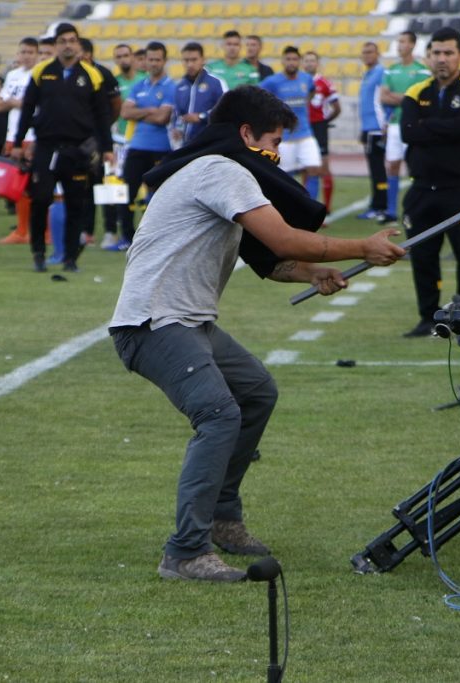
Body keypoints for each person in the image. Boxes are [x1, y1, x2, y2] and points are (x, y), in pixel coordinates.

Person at [108, 85, 404, 582]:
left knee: (255, 392)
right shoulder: (222, 170)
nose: (279, 152)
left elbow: (272, 260)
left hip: (189, 322)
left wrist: (312, 272)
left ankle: (223, 519)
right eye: (272, 139)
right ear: (245, 134)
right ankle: (184, 551)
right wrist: (361, 247)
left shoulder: (219, 173)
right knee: (219, 414)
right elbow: (285, 238)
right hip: (154, 323)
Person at [399, 27, 460, 338]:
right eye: (436, 52)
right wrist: (445, 127)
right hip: (422, 189)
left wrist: (428, 126)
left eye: (448, 53)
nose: (442, 59)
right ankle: (428, 318)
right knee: (423, 257)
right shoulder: (415, 92)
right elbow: (408, 132)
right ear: (428, 56)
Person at [12, 22, 114, 272]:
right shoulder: (42, 72)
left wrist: (107, 148)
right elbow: (27, 108)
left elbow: (102, 115)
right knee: (41, 199)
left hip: (77, 149)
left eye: (72, 40)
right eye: (63, 41)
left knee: (75, 203)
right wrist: (17, 142)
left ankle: (70, 258)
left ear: (78, 44)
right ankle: (38, 252)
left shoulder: (92, 75)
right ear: (56, 45)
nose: (68, 45)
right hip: (46, 147)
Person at [117, 41, 176, 250]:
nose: (153, 63)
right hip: (137, 146)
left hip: (161, 148)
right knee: (126, 192)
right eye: (150, 59)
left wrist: (141, 112)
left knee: (159, 196)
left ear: (164, 61)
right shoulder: (139, 85)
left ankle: (158, 237)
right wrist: (151, 110)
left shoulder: (172, 86)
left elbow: (162, 118)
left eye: (157, 59)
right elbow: (125, 112)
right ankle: (126, 236)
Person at [379, 31, 431, 224]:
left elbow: (418, 99)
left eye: (402, 42)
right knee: (392, 166)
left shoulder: (422, 71)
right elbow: (383, 97)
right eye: (398, 41)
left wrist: (399, 97)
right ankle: (391, 210)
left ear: (412, 45)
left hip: (412, 125)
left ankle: (414, 206)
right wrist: (406, 98)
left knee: (414, 166)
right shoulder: (390, 70)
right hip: (394, 124)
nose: (399, 45)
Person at [260, 46, 322, 200]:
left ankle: (311, 209)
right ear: (282, 61)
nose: (291, 62)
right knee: (285, 177)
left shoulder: (306, 79)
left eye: (294, 59)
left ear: (299, 61)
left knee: (314, 169)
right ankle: (290, 212)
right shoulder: (272, 82)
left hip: (306, 135)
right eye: (288, 59)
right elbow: (258, 98)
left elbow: (312, 91)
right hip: (284, 138)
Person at [77, 37, 122, 246]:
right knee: (85, 186)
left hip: (102, 139)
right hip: (80, 140)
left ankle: (111, 230)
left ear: (88, 54)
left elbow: (115, 105)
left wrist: (103, 129)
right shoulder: (72, 75)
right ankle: (86, 231)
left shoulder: (103, 74)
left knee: (107, 185)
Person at [0, 37, 41, 245]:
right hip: (12, 135)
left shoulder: (40, 74)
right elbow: (0, 104)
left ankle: (41, 230)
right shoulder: (13, 75)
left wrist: (14, 103)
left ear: (37, 54)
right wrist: (17, 103)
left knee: (38, 186)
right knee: (18, 187)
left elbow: (36, 104)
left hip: (32, 135)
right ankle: (22, 230)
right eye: (23, 52)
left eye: (31, 52)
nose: (26, 56)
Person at [101, 43, 145, 250]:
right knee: (112, 188)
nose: (123, 59)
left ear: (133, 58)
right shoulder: (113, 83)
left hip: (139, 142)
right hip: (117, 142)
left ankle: (143, 233)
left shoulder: (143, 81)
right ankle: (111, 232)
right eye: (118, 56)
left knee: (140, 189)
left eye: (126, 55)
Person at [302, 50, 340, 211]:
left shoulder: (324, 83)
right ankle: (309, 205)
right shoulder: (298, 81)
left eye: (312, 61)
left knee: (323, 167)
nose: (310, 63)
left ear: (317, 63)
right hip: (303, 128)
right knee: (306, 168)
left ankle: (327, 207)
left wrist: (324, 122)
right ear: (303, 63)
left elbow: (337, 108)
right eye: (307, 61)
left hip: (319, 127)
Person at [173, 42, 226, 145]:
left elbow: (224, 110)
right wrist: (177, 128)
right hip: (186, 144)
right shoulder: (180, 86)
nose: (190, 64)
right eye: (186, 60)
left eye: (194, 60)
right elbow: (178, 114)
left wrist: (201, 117)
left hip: (210, 143)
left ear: (203, 60)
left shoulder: (216, 83)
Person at [358, 41, 387, 219]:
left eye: (370, 52)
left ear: (377, 54)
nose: (367, 55)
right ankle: (377, 204)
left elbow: (380, 100)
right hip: (368, 128)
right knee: (375, 169)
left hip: (377, 129)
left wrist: (383, 125)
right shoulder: (368, 74)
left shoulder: (380, 72)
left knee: (378, 169)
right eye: (364, 52)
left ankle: (380, 206)